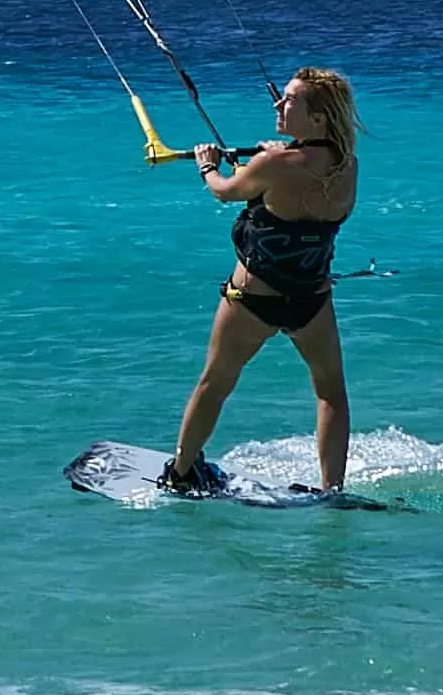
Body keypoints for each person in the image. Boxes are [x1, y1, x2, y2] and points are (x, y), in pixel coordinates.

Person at [155, 65, 362, 498]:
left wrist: (207, 166)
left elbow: (226, 191)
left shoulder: (273, 165)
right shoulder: (347, 166)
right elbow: (298, 182)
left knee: (215, 383)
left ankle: (181, 471)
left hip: (253, 299)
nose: (278, 104)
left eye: (290, 100)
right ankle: (332, 490)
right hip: (311, 300)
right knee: (330, 393)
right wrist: (280, 153)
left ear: (318, 117)